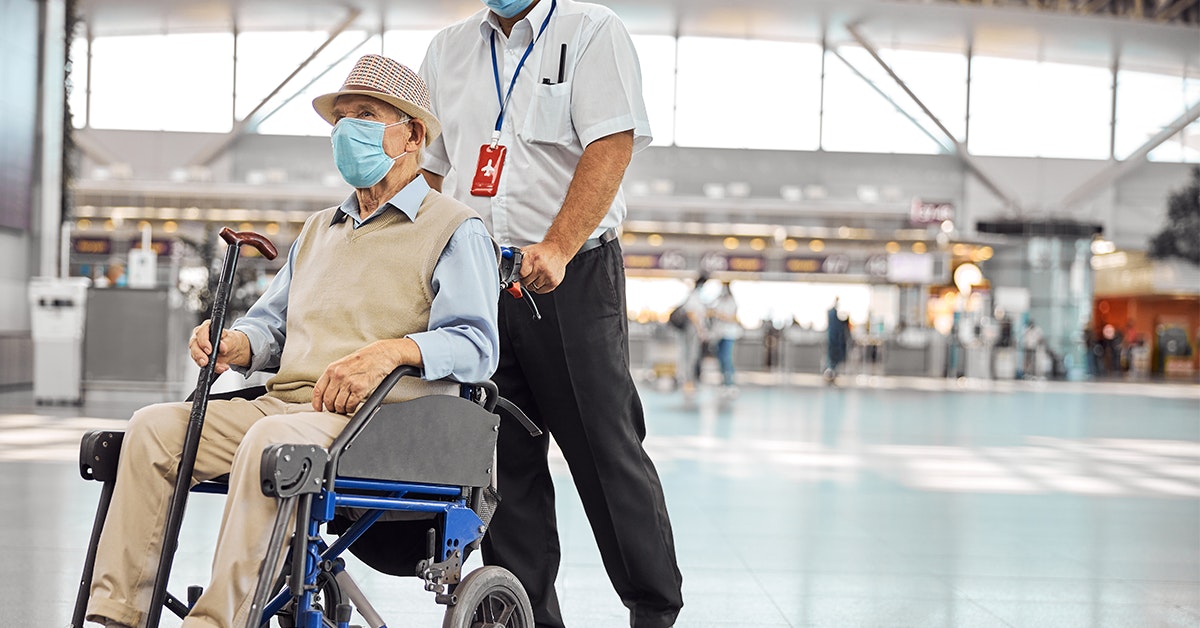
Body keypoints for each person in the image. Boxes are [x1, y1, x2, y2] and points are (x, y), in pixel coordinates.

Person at [85, 55, 500, 628]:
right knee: (154, 428)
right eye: (342, 118)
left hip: (382, 421)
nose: (346, 129)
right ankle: (118, 613)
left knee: (269, 439)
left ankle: (218, 621)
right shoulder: (318, 230)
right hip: (289, 404)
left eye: (366, 115)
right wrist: (238, 344)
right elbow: (272, 326)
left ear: (413, 135)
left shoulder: (455, 229)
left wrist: (395, 350)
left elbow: (477, 345)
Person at [419, 2, 684, 626]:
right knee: (500, 459)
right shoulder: (446, 51)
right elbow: (429, 171)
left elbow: (611, 143)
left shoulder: (591, 32)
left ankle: (653, 606)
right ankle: (528, 614)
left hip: (573, 276)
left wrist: (559, 245)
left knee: (604, 447)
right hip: (479, 281)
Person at [676, 274, 709, 398]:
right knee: (690, 356)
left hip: (693, 329)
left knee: (691, 356)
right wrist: (700, 329)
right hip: (691, 329)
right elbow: (691, 313)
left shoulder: (696, 296)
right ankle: (687, 382)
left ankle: (689, 381)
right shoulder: (694, 296)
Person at [708, 280, 741, 396]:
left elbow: (733, 318)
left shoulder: (732, 302)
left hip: (729, 334)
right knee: (721, 359)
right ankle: (723, 383)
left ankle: (730, 383)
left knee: (727, 359)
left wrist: (719, 315)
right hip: (719, 334)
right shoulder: (719, 301)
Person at [825, 297, 849, 384]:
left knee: (834, 358)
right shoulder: (832, 314)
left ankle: (832, 371)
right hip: (834, 339)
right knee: (832, 358)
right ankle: (830, 372)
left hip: (835, 339)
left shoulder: (834, 315)